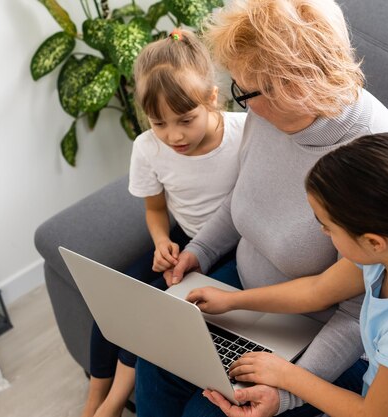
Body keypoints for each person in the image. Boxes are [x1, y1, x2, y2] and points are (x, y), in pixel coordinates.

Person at [134, 1, 388, 417]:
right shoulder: (269, 113)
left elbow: (357, 316)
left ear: (293, 85)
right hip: (242, 293)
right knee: (155, 358)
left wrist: (289, 391)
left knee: (207, 413)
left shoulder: (373, 163)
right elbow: (241, 200)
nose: (243, 105)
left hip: (323, 334)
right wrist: (200, 252)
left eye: (245, 91)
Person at [189, 133, 388, 417]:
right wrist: (232, 301)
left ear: (373, 241)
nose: (322, 231)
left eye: (328, 226)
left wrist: (286, 375)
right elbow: (317, 290)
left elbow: (371, 414)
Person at [80, 28, 247, 417]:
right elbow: (155, 209)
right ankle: (92, 405)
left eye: (185, 120)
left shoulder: (243, 134)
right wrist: (160, 242)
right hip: (182, 238)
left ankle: (115, 403)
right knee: (112, 302)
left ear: (211, 98)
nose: (174, 136)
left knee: (151, 314)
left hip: (231, 250)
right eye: (159, 124)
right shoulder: (148, 148)